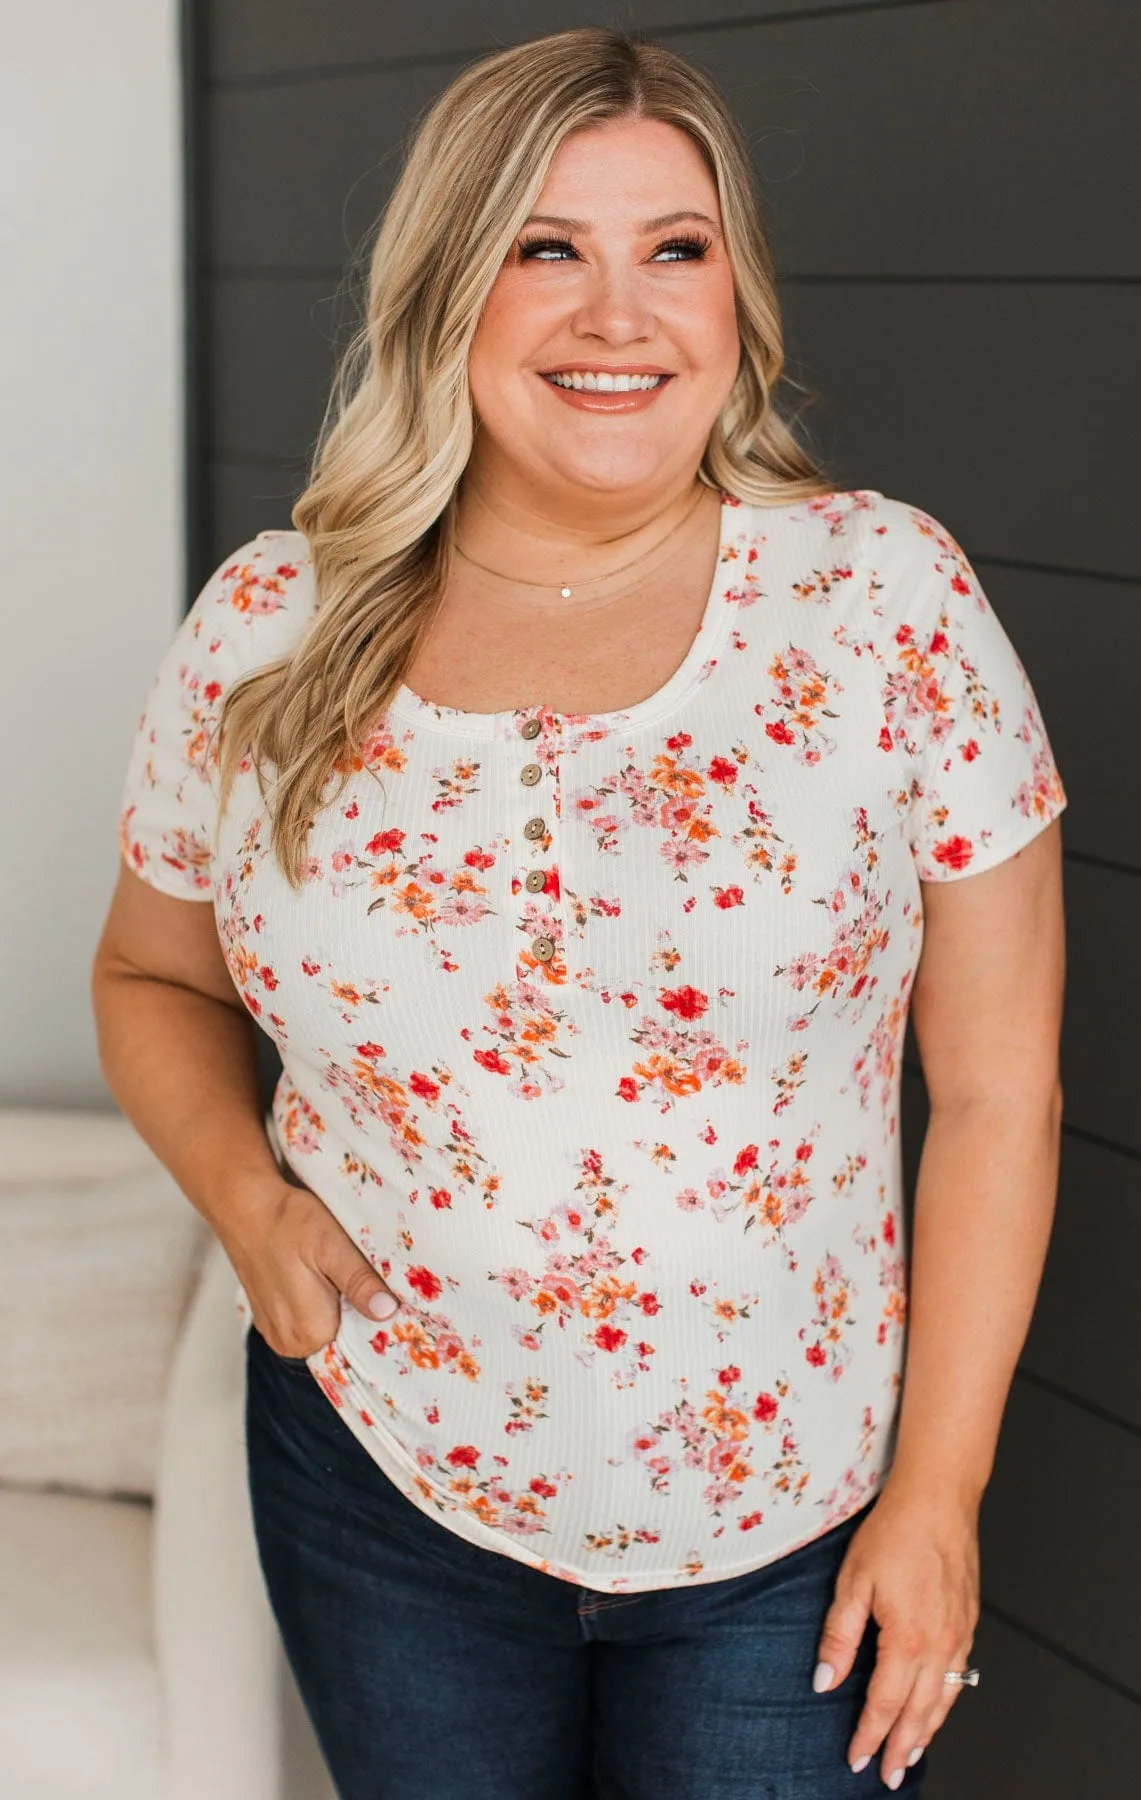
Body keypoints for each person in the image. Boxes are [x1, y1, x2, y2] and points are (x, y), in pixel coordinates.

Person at [93, 25, 1067, 1800]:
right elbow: (151, 971)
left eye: (672, 249)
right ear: (447, 289)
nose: (618, 315)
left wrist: (938, 1496)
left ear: (736, 297)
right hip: (383, 1476)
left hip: (790, 1536)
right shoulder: (270, 628)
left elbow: (1001, 1093)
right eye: (547, 248)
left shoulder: (881, 602)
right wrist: (245, 1199)